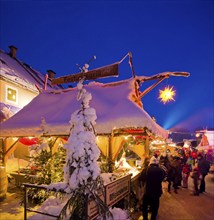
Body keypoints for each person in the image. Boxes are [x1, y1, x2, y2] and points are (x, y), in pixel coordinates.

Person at [139, 156, 165, 220]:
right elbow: (163, 178)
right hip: (157, 192)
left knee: (145, 206)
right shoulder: (161, 170)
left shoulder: (146, 169)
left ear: (150, 163)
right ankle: (153, 218)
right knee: (155, 207)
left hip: (148, 191)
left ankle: (145, 218)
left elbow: (141, 178)